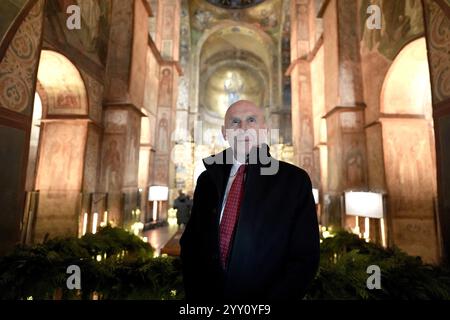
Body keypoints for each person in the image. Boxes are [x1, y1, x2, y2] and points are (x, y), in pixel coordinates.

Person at [180, 100, 320, 301]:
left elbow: (304, 257)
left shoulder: (294, 181)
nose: (243, 128)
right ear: (224, 132)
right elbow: (192, 243)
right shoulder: (207, 179)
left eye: (251, 120)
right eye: (235, 122)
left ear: (264, 129)